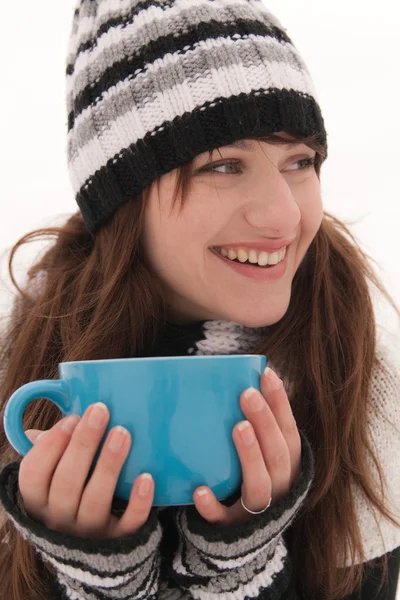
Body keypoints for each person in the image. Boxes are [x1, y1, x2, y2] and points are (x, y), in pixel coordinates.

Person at [0, 0, 399, 598]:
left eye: (300, 161)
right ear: (120, 199)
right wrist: (92, 577)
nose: (285, 216)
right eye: (222, 165)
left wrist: (244, 568)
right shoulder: (24, 374)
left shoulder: (362, 387)